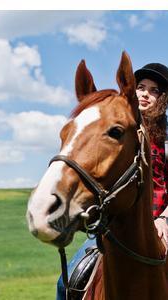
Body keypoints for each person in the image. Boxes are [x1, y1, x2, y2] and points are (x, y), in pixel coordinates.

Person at [56, 62, 168, 300]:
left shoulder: (167, 139)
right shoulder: (119, 130)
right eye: (141, 87)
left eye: (154, 90)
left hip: (163, 223)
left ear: (163, 99)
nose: (145, 93)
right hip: (118, 225)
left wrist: (164, 219)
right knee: (67, 280)